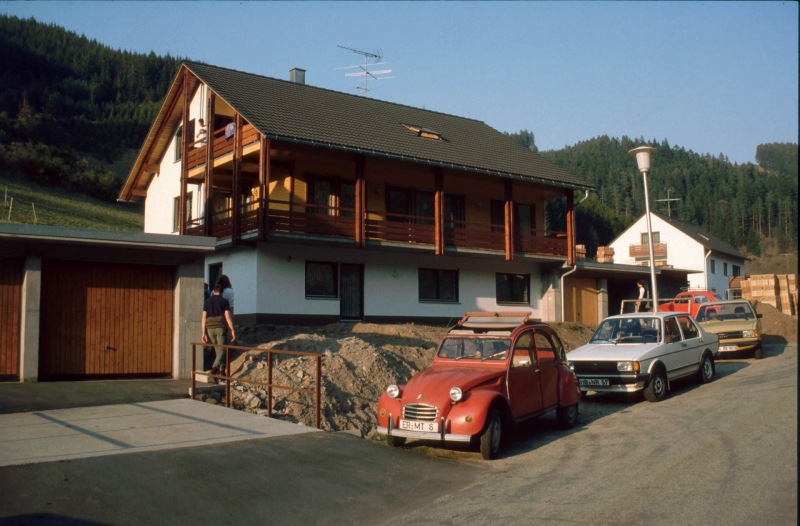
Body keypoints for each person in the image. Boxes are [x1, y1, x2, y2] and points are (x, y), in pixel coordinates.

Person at [202, 284, 236, 377]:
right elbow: (227, 316)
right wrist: (232, 330)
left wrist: (203, 332)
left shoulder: (207, 301)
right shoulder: (224, 301)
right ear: (221, 292)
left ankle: (222, 371)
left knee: (218, 349)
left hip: (209, 328)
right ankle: (215, 367)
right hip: (220, 327)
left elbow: (204, 317)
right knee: (222, 349)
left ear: (213, 291)